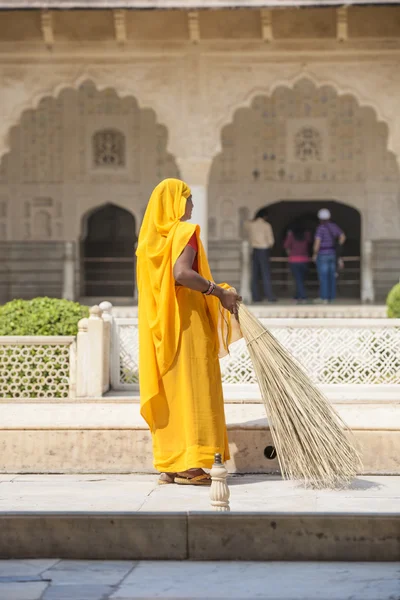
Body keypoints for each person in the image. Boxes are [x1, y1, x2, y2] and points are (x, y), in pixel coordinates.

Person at [136, 178, 241, 487]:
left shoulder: (148, 243)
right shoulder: (185, 233)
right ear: (175, 203)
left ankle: (170, 464)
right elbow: (181, 274)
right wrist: (217, 292)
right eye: (188, 198)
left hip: (161, 329)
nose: (192, 204)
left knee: (172, 393)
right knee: (196, 390)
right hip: (187, 324)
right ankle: (193, 465)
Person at [312, 208, 346, 304]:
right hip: (332, 254)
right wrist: (338, 246)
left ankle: (324, 298)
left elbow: (317, 242)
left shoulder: (320, 228)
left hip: (322, 254)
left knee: (323, 277)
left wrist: (315, 253)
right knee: (332, 276)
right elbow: (343, 236)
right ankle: (332, 297)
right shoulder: (334, 226)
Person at [246, 209, 276, 303]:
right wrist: (270, 246)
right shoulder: (266, 225)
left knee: (255, 274)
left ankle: (256, 297)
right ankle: (269, 296)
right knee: (265, 273)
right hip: (264, 250)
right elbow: (271, 240)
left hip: (255, 250)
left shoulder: (251, 225)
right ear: (265, 217)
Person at [284, 225, 311, 303]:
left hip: (294, 260)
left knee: (298, 280)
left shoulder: (291, 235)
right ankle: (296, 297)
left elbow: (286, 245)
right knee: (301, 280)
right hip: (304, 260)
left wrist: (289, 234)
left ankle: (303, 297)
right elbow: (310, 241)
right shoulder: (306, 235)